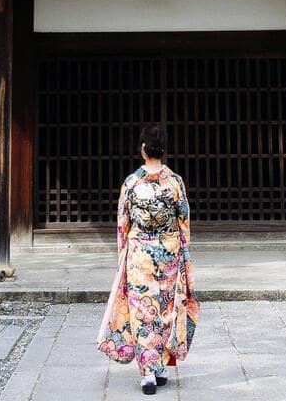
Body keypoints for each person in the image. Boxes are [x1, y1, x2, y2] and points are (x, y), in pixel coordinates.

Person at [97, 123, 199, 394]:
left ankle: (148, 374)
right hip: (169, 253)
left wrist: (124, 253)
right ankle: (161, 365)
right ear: (163, 150)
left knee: (142, 311)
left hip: (139, 256)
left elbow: (123, 224)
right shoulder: (175, 182)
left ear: (143, 149)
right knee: (166, 310)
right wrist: (181, 249)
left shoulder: (131, 183)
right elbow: (184, 219)